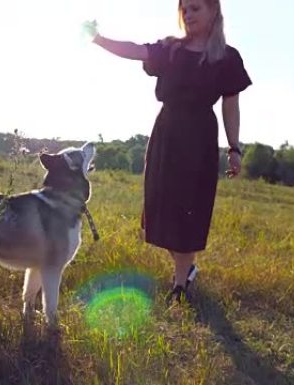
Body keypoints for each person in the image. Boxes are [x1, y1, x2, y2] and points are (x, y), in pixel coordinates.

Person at [83, 0, 252, 302]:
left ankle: (179, 284)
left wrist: (234, 147)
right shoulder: (171, 49)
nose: (188, 14)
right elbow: (135, 50)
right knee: (161, 205)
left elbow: (231, 103)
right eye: (184, 9)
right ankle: (186, 268)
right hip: (167, 134)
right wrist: (98, 39)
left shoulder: (226, 57)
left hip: (200, 137)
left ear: (213, 11)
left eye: (195, 8)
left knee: (190, 207)